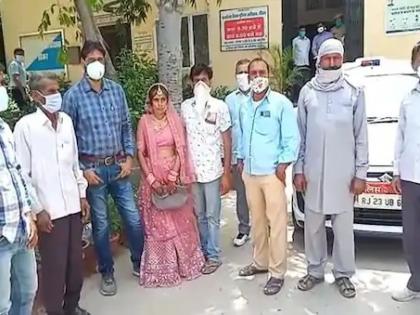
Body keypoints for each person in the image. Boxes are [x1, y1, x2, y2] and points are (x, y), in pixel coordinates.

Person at [62, 40, 144, 297]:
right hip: (93, 170)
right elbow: (67, 139)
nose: (96, 63)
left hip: (118, 166)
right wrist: (82, 170)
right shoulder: (73, 97)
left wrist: (129, 158)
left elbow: (125, 126)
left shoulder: (116, 91)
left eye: (100, 59)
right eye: (91, 59)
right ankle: (107, 272)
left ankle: (139, 263)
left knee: (132, 218)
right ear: (83, 62)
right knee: (101, 225)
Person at [293, 38, 368, 299]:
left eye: (337, 58)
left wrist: (361, 173)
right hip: (313, 173)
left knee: (343, 229)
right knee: (312, 226)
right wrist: (298, 170)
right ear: (319, 60)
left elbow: (361, 136)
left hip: (343, 174)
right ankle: (314, 271)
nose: (333, 63)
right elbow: (300, 136)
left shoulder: (354, 90)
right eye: (328, 58)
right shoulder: (307, 92)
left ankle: (344, 274)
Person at [14, 73, 91, 315]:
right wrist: (38, 210)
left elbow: (74, 163)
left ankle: (72, 307)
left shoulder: (66, 121)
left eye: (57, 90)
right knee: (55, 269)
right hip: (49, 213)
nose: (56, 95)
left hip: (72, 206)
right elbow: (22, 174)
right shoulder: (26, 127)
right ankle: (55, 311)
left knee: (74, 266)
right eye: (50, 91)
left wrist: (82, 194)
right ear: (36, 96)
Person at [236, 58, 300, 296]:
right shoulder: (244, 105)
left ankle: (277, 272)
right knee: (258, 223)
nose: (257, 76)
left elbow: (291, 139)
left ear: (269, 74)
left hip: (272, 174)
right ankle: (260, 263)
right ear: (249, 77)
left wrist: (283, 166)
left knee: (277, 223)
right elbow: (241, 136)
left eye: (262, 72)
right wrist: (241, 159)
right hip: (250, 173)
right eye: (253, 73)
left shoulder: (280, 103)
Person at [137, 83, 205, 287]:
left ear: (167, 102)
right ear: (151, 103)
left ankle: (186, 264)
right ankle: (162, 270)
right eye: (156, 100)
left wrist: (174, 175)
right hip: (153, 177)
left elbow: (180, 149)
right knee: (158, 225)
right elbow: (141, 152)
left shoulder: (174, 121)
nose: (160, 104)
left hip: (174, 175)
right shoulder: (144, 122)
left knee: (181, 220)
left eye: (163, 100)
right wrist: (151, 179)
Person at [181, 64, 232, 275]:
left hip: (212, 170)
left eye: (204, 79)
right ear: (191, 82)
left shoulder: (219, 106)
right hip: (193, 172)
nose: (200, 83)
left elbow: (227, 140)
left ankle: (213, 255)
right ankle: (202, 251)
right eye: (196, 80)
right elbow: (182, 139)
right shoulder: (185, 107)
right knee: (199, 214)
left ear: (210, 81)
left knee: (212, 215)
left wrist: (226, 172)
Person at [0, 85, 39, 315]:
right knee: (2, 305)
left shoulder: (5, 128)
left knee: (27, 292)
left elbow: (18, 173)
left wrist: (30, 215)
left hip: (21, 230)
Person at [391, 42, 420, 303]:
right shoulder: (408, 98)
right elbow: (400, 136)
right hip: (411, 177)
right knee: (411, 235)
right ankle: (415, 284)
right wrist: (397, 170)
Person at [225, 59, 251, 247]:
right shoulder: (229, 100)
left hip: (257, 156)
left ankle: (263, 229)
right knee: (241, 195)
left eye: (245, 72)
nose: (242, 76)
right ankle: (244, 229)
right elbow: (226, 131)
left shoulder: (259, 96)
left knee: (261, 195)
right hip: (237, 156)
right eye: (239, 72)